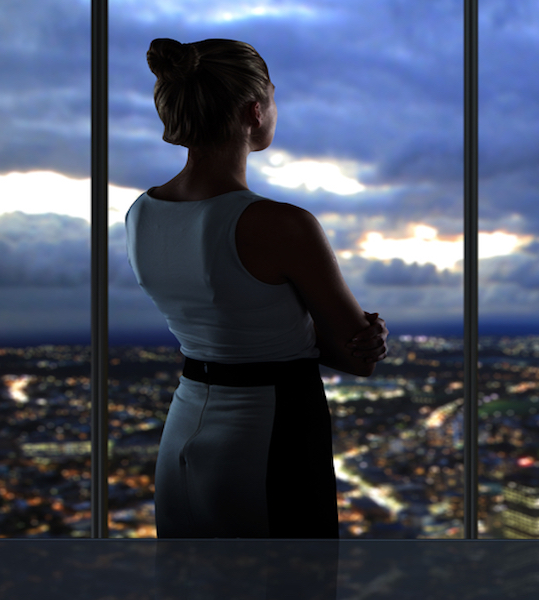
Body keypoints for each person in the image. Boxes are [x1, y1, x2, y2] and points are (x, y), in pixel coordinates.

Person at [126, 38, 387, 540]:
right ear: (254, 110)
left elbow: (229, 319)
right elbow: (359, 357)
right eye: (273, 96)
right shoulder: (280, 224)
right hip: (272, 433)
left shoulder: (141, 213)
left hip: (184, 424)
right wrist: (363, 333)